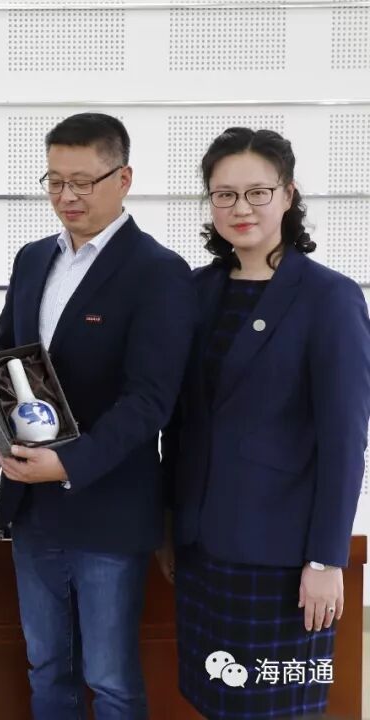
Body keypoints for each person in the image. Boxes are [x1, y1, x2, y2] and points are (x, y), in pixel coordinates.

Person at [0, 113, 196, 719]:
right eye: (54, 181)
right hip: (32, 506)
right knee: (47, 667)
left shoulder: (158, 272)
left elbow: (150, 401)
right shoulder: (33, 259)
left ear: (123, 178)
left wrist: (69, 464)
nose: (66, 196)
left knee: (110, 677)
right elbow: (5, 351)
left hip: (108, 508)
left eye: (82, 181)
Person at [158, 127, 370, 719]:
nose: (241, 208)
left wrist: (326, 559)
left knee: (276, 708)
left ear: (288, 194)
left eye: (258, 192)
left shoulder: (329, 298)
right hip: (202, 547)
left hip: (281, 556)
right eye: (224, 194)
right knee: (212, 699)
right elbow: (179, 422)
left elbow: (345, 441)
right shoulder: (197, 292)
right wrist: (171, 524)